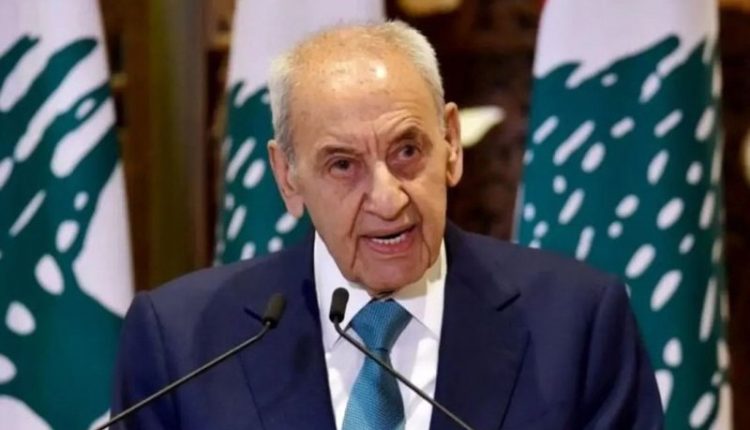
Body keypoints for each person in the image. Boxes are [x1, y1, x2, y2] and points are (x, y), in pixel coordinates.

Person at [112, 21, 663, 430]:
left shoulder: (578, 324)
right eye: (342, 165)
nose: (387, 198)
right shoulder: (182, 344)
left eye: (407, 151)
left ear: (450, 143)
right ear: (287, 177)